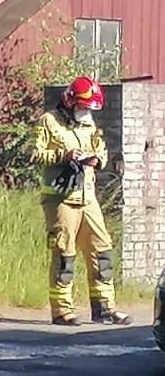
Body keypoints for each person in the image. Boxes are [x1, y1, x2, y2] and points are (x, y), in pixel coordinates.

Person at [34, 76, 131, 326]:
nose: (86, 112)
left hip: (87, 198)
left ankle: (104, 309)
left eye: (89, 108)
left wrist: (97, 160)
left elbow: (101, 150)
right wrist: (63, 155)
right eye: (83, 107)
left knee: (102, 250)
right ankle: (62, 312)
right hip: (61, 198)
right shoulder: (49, 121)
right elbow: (35, 154)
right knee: (64, 254)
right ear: (70, 101)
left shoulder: (89, 124)